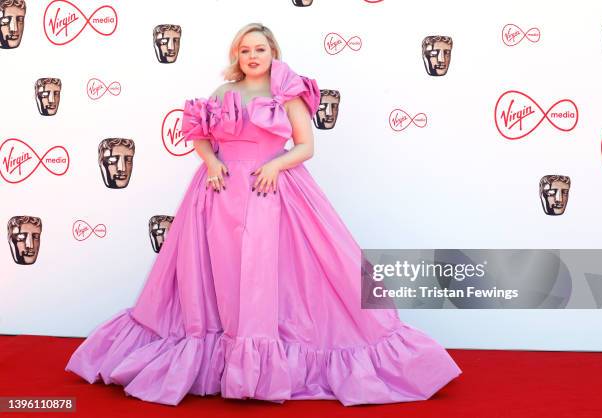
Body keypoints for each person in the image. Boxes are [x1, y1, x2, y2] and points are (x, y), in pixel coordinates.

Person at [65, 22, 462, 406]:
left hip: (271, 193)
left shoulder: (286, 92)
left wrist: (274, 166)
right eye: (245, 49)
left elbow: (305, 146)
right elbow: (201, 138)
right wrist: (212, 162)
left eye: (260, 48)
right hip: (217, 195)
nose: (252, 55)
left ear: (273, 53)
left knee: (272, 277)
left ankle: (267, 369)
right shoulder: (223, 90)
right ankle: (224, 366)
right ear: (236, 55)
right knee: (220, 276)